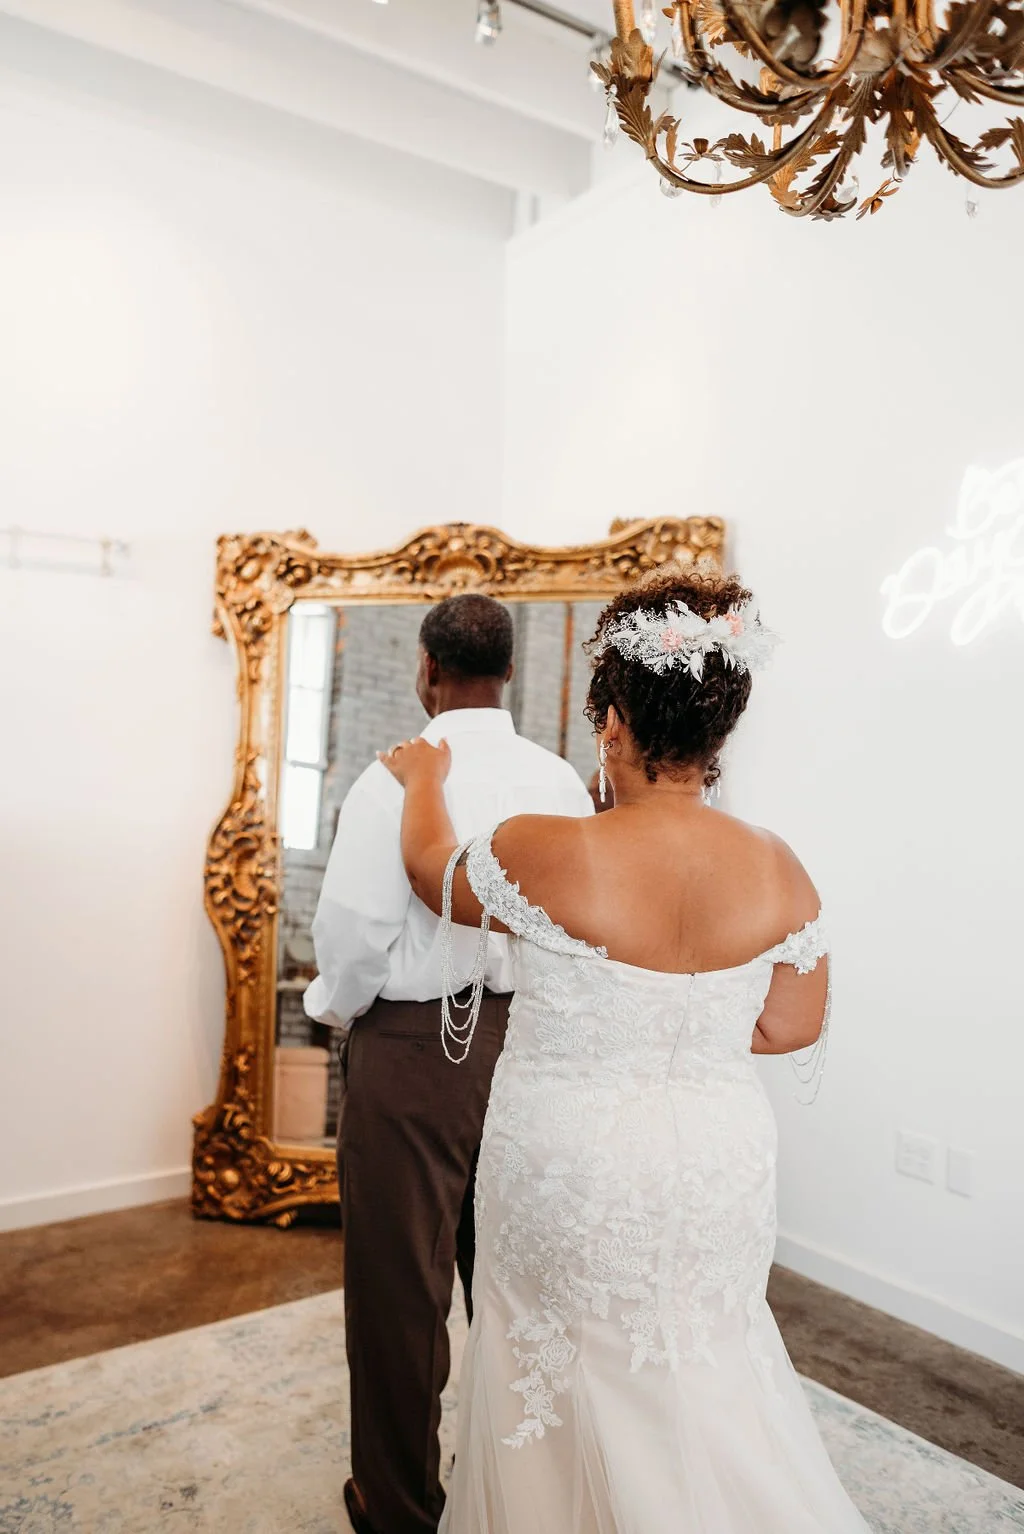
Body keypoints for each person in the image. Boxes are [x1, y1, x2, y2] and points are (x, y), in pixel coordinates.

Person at [380, 568, 871, 1534]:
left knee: (551, 1365)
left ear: (611, 721)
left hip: (571, 1168)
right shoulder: (779, 865)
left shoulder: (545, 847)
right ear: (717, 732)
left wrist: (426, 778)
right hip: (717, 1165)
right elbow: (789, 1025)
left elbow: (433, 872)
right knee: (709, 1360)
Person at [303, 592, 594, 1534]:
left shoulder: (394, 780)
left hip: (414, 1050)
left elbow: (350, 938)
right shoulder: (559, 782)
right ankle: (505, 1494)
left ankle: (396, 1507)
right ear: (509, 672)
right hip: (533, 1048)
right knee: (517, 1287)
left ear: (427, 669)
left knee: (399, 1293)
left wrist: (336, 1013)